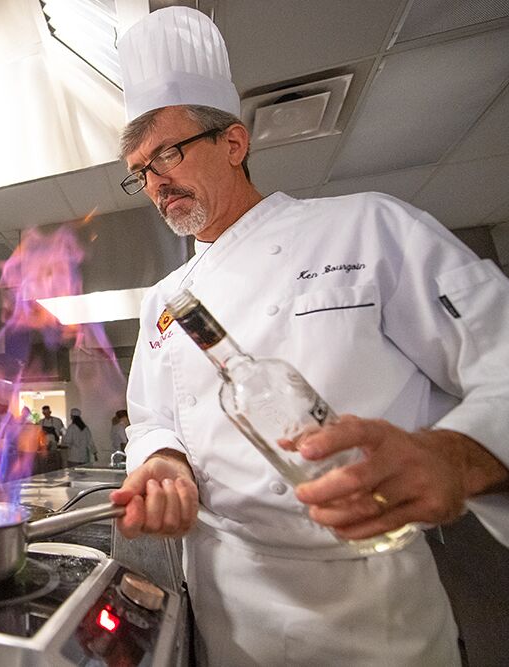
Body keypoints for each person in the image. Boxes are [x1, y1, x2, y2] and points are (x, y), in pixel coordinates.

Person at [108, 7, 509, 666]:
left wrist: (458, 456)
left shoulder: (368, 229)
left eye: (169, 153)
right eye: (140, 170)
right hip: (228, 596)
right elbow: (152, 419)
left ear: (233, 143)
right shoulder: (165, 301)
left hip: (371, 601)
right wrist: (163, 461)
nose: (155, 182)